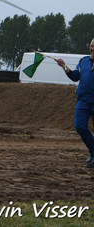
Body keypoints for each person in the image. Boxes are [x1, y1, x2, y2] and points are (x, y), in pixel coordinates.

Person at [56, 38, 94, 168]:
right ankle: (93, 150)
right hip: (83, 100)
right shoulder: (84, 61)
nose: (93, 48)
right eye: (92, 46)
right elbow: (74, 76)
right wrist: (64, 66)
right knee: (79, 126)